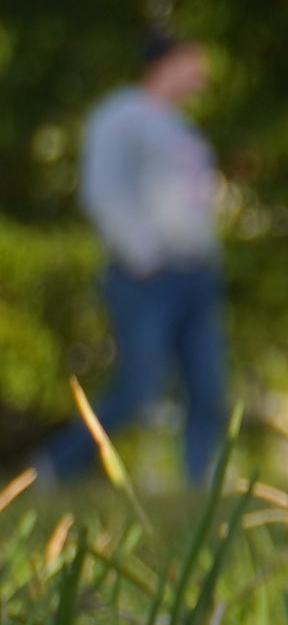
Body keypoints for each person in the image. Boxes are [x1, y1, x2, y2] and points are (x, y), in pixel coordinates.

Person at [28, 31, 229, 488]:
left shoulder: (182, 128)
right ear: (168, 63)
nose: (201, 76)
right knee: (139, 387)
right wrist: (144, 256)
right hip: (148, 277)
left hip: (196, 274)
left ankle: (201, 485)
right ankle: (53, 470)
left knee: (207, 387)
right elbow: (104, 192)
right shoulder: (120, 117)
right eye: (194, 64)